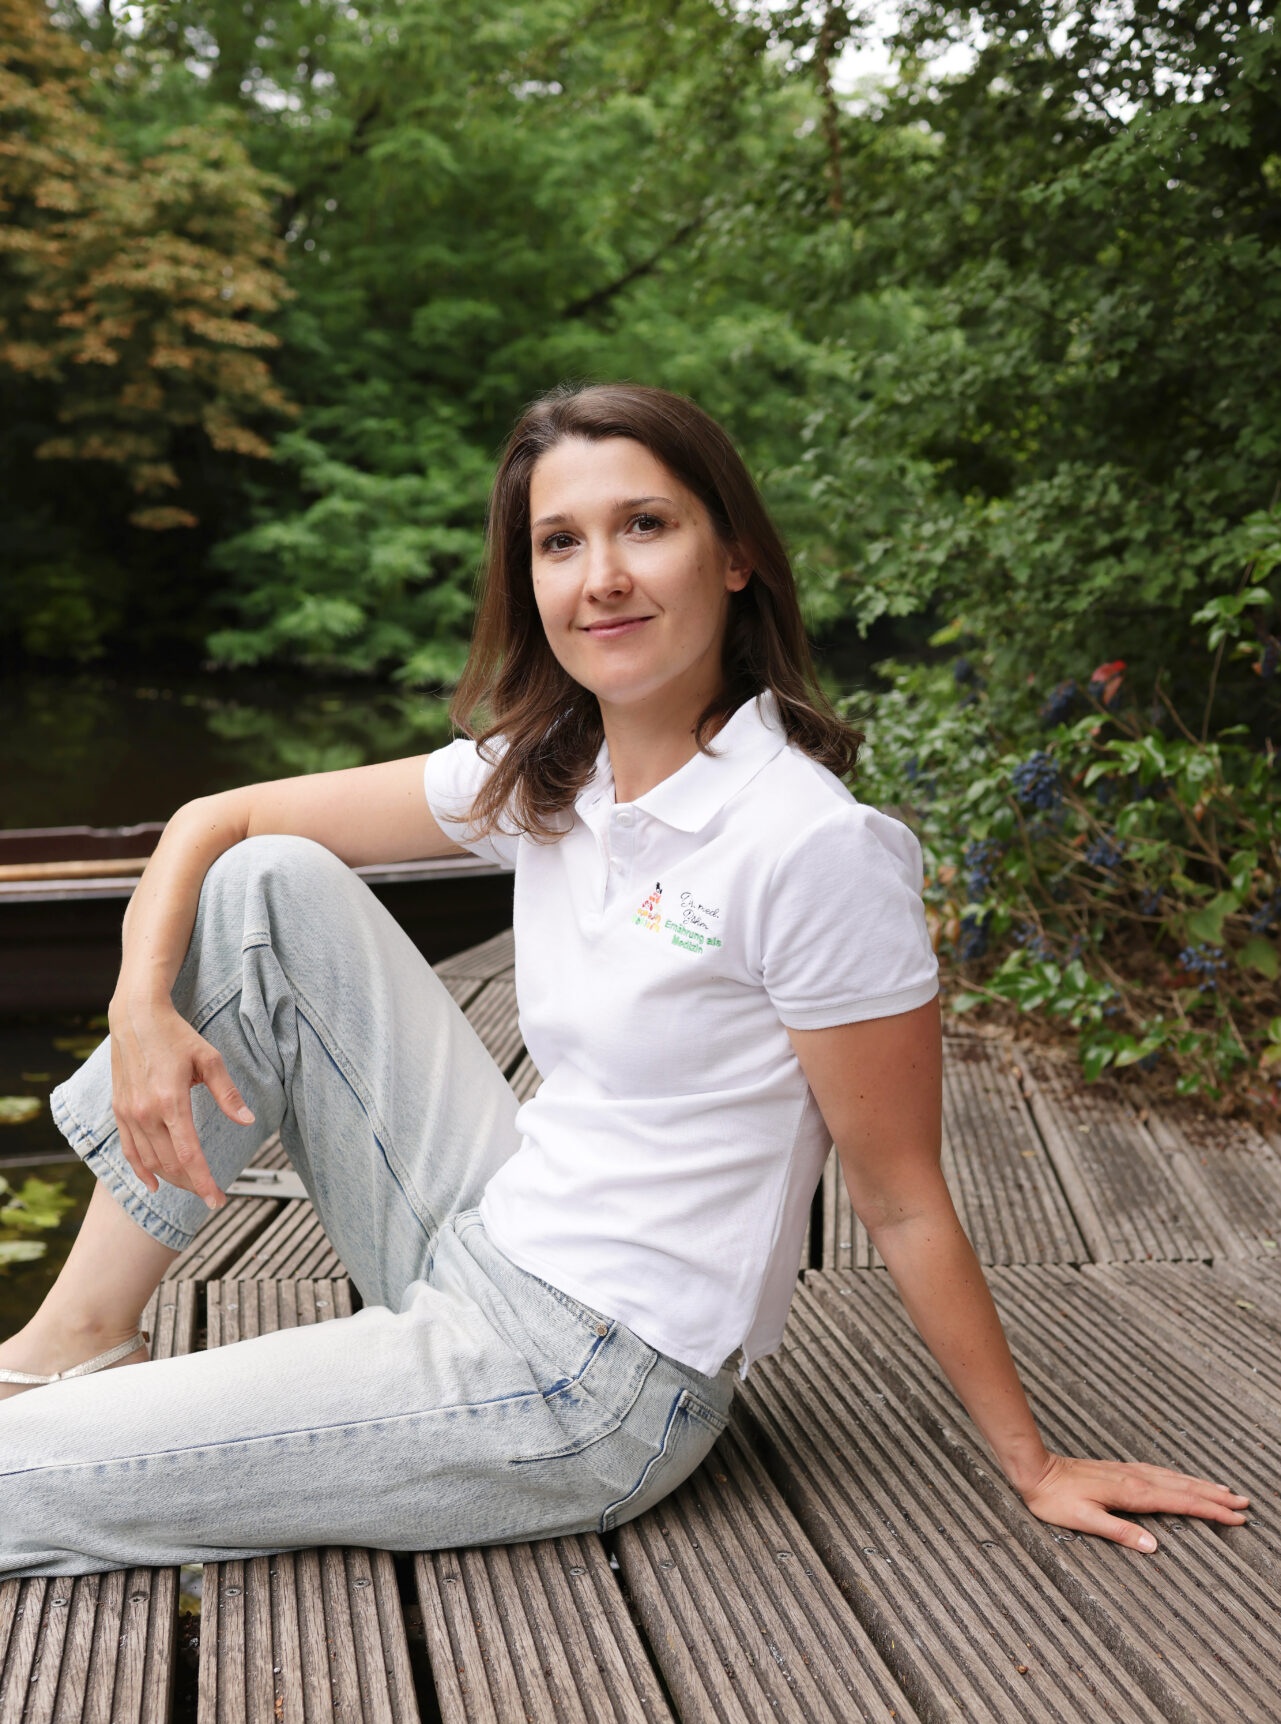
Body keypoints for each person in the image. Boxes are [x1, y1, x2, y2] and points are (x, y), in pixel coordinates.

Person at [0, 383, 1247, 1581]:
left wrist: (1031, 1462)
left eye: (644, 526)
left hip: (589, 1377)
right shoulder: (555, 772)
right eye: (559, 541)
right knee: (269, 884)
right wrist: (138, 1006)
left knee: (15, 1476)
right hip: (489, 1227)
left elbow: (903, 1196)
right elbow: (222, 814)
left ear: (735, 555)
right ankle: (73, 1342)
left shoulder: (812, 848)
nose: (600, 574)